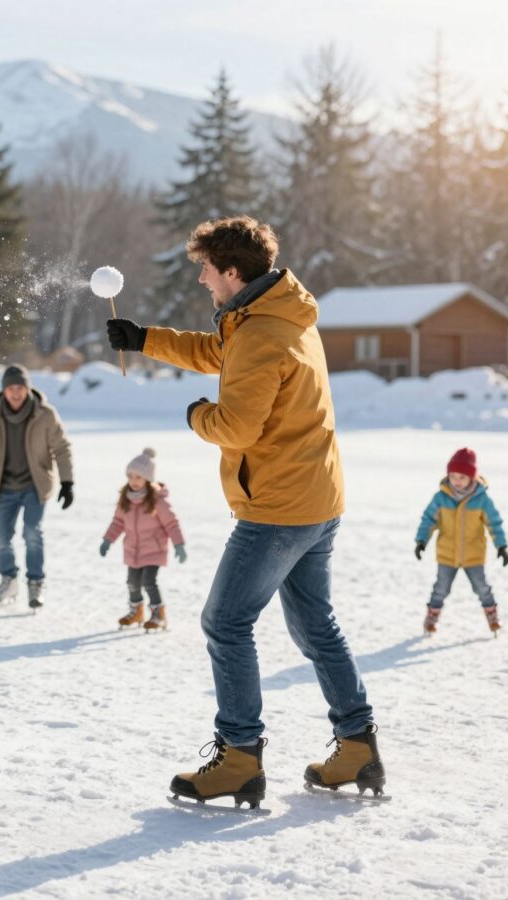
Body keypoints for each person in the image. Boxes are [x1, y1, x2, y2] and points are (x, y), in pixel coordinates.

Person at [106, 215, 384, 807]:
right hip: (315, 497)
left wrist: (194, 414)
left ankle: (238, 757)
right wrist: (144, 338)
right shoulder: (276, 314)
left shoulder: (261, 333)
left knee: (225, 622)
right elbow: (219, 351)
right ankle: (358, 745)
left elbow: (235, 424)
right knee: (314, 624)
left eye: (207, 269)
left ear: (232, 271)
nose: (203, 279)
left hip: (279, 507)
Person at [0, 365, 74, 610]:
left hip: (35, 485)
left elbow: (61, 448)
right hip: (4, 486)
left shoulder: (44, 414)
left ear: (27, 388)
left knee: (32, 533)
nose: (16, 393)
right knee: (1, 538)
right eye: (11, 388)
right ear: (4, 390)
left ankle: (35, 582)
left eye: (20, 388)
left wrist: (67, 482)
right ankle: (9, 580)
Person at [415, 447, 508, 636]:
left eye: (462, 477)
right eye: (453, 476)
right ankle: (431, 618)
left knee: (482, 588)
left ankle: (492, 616)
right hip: (447, 554)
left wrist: (501, 545)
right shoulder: (441, 498)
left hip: (473, 555)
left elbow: (494, 523)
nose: (457, 481)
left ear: (472, 478)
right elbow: (428, 520)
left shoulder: (482, 500)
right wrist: (421, 540)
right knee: (440, 588)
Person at [99, 448, 187, 630]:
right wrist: (108, 540)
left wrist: (179, 544)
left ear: (148, 478)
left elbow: (171, 523)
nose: (134, 481)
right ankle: (137, 611)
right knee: (132, 582)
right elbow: (117, 522)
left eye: (138, 477)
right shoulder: (126, 499)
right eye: (130, 476)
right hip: (133, 549)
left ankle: (158, 614)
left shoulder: (156, 500)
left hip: (153, 549)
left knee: (148, 581)